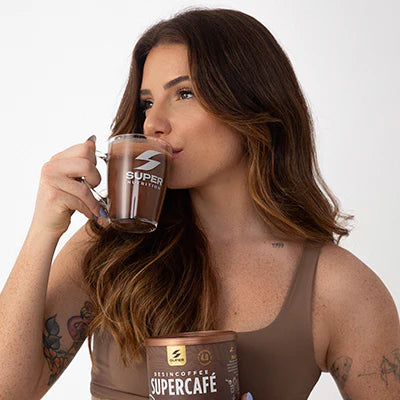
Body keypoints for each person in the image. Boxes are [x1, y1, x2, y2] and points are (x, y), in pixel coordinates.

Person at [1, 7, 399, 400]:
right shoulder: (110, 247)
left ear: (252, 104)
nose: (153, 123)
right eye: (147, 103)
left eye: (184, 93)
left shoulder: (339, 288)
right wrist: (44, 229)